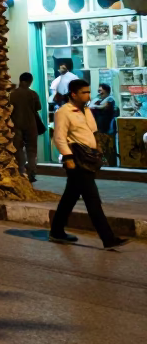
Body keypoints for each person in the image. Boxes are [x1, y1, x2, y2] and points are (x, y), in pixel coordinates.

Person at [49, 78, 129, 250]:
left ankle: (56, 231)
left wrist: (98, 149)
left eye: (88, 92)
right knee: (92, 199)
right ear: (73, 94)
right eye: (84, 92)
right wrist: (68, 158)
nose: (88, 95)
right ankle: (108, 238)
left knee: (70, 197)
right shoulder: (64, 112)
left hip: (89, 158)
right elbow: (59, 137)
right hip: (77, 160)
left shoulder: (86, 110)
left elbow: (92, 132)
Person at [8, 72, 43, 182]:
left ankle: (21, 171)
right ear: (29, 81)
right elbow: (38, 107)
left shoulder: (12, 94)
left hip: (16, 124)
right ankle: (32, 172)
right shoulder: (33, 94)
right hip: (31, 124)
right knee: (31, 149)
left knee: (18, 148)